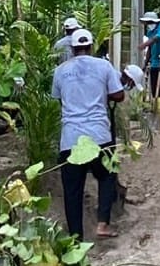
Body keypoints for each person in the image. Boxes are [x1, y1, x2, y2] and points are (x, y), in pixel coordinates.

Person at [51, 28, 124, 239]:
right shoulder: (104, 66)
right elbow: (119, 95)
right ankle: (103, 224)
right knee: (107, 175)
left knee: (72, 190)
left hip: (70, 138)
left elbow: (59, 98)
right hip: (99, 134)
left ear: (72, 48)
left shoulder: (60, 71)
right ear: (91, 46)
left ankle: (76, 236)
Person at [143, 11, 160, 97]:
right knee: (154, 90)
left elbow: (156, 38)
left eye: (149, 22)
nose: (148, 25)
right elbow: (150, 48)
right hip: (154, 64)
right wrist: (145, 63)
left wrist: (144, 44)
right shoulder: (150, 31)